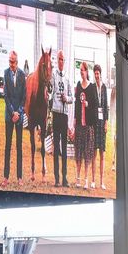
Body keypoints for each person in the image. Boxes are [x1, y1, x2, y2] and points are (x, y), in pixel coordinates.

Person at [72, 61, 97, 189]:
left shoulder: (92, 87)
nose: (81, 72)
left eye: (83, 70)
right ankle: (78, 178)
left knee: (87, 153)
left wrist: (88, 105)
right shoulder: (78, 86)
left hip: (88, 126)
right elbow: (76, 105)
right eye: (80, 70)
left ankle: (86, 179)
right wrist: (75, 121)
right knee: (78, 152)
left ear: (87, 72)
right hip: (79, 126)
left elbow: (95, 105)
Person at [49, 51, 72, 188]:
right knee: (56, 147)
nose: (61, 61)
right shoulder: (53, 76)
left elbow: (71, 98)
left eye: (63, 59)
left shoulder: (68, 78)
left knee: (64, 147)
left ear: (65, 61)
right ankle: (56, 178)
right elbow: (50, 91)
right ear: (57, 61)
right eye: (59, 59)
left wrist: (66, 99)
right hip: (56, 113)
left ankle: (65, 178)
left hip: (64, 115)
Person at [1, 50, 25, 185]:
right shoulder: (5, 73)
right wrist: (12, 112)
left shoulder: (22, 75)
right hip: (9, 116)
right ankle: (6, 177)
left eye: (13, 62)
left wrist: (19, 112)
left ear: (17, 62)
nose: (11, 64)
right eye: (9, 61)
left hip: (19, 116)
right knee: (8, 146)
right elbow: (6, 95)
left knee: (19, 146)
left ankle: (19, 177)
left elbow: (24, 97)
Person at [92, 64, 109, 190]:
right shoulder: (92, 87)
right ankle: (93, 180)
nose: (97, 75)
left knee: (102, 153)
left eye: (98, 73)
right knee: (93, 153)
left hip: (102, 123)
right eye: (95, 73)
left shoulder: (103, 87)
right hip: (94, 123)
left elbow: (106, 106)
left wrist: (106, 122)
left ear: (100, 74)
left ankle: (101, 181)